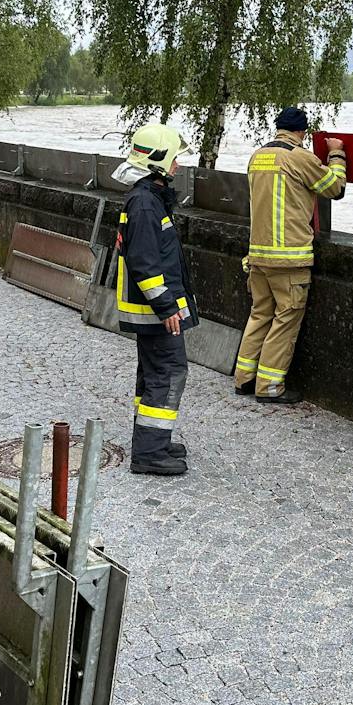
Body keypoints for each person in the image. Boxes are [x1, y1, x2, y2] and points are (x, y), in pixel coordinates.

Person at [234, 107, 348, 403]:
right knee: (285, 320)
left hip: (257, 255)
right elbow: (334, 188)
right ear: (303, 132)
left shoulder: (257, 156)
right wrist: (336, 154)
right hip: (289, 258)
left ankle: (244, 378)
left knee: (259, 315)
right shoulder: (299, 157)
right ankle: (269, 387)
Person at [114, 123, 198, 477]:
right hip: (156, 311)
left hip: (151, 310)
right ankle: (149, 453)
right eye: (175, 156)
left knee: (152, 374)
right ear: (159, 161)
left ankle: (153, 440)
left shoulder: (145, 198)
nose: (179, 163)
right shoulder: (147, 205)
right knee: (168, 372)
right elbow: (146, 263)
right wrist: (167, 307)